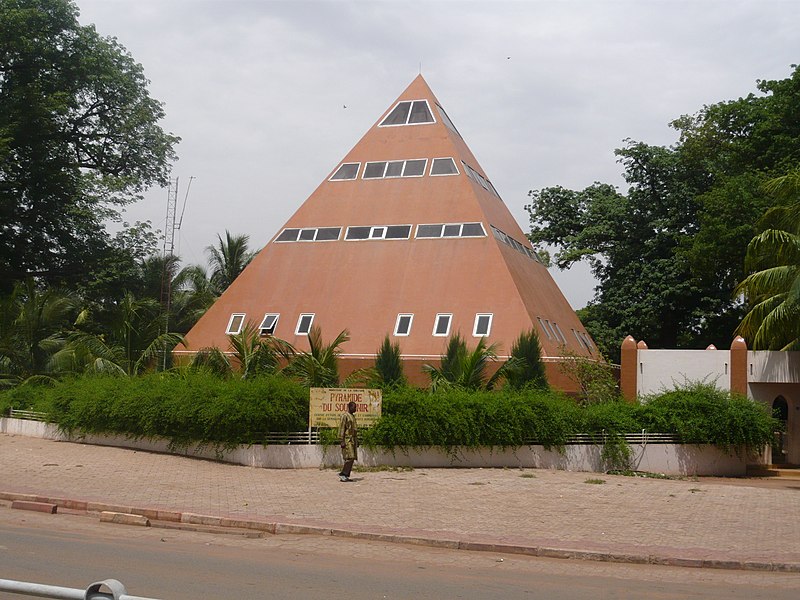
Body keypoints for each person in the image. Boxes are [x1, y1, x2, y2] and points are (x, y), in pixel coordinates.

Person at [338, 400, 358, 482]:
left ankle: (346, 475)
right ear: (349, 407)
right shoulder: (345, 416)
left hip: (353, 439)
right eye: (354, 407)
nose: (355, 409)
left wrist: (357, 440)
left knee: (352, 458)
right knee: (350, 457)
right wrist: (341, 440)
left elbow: (355, 430)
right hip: (347, 439)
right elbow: (342, 428)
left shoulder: (353, 416)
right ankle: (342, 473)